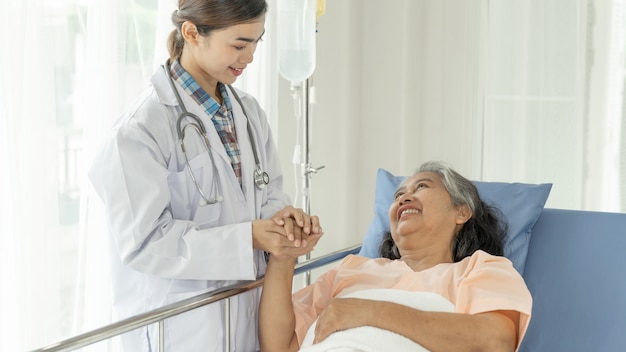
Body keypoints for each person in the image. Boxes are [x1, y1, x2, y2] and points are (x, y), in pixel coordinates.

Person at [88, 0, 323, 350]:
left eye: (257, 42)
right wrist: (249, 239)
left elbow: (268, 191)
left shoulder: (248, 112)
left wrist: (283, 222)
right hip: (180, 330)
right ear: (192, 33)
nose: (250, 57)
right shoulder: (139, 130)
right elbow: (146, 244)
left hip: (245, 319)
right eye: (239, 45)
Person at [259, 161, 532, 352]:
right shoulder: (351, 270)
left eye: (421, 187)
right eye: (399, 194)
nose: (403, 198)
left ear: (461, 212)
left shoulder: (481, 269)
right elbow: (280, 346)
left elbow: (495, 342)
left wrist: (368, 311)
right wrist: (284, 256)